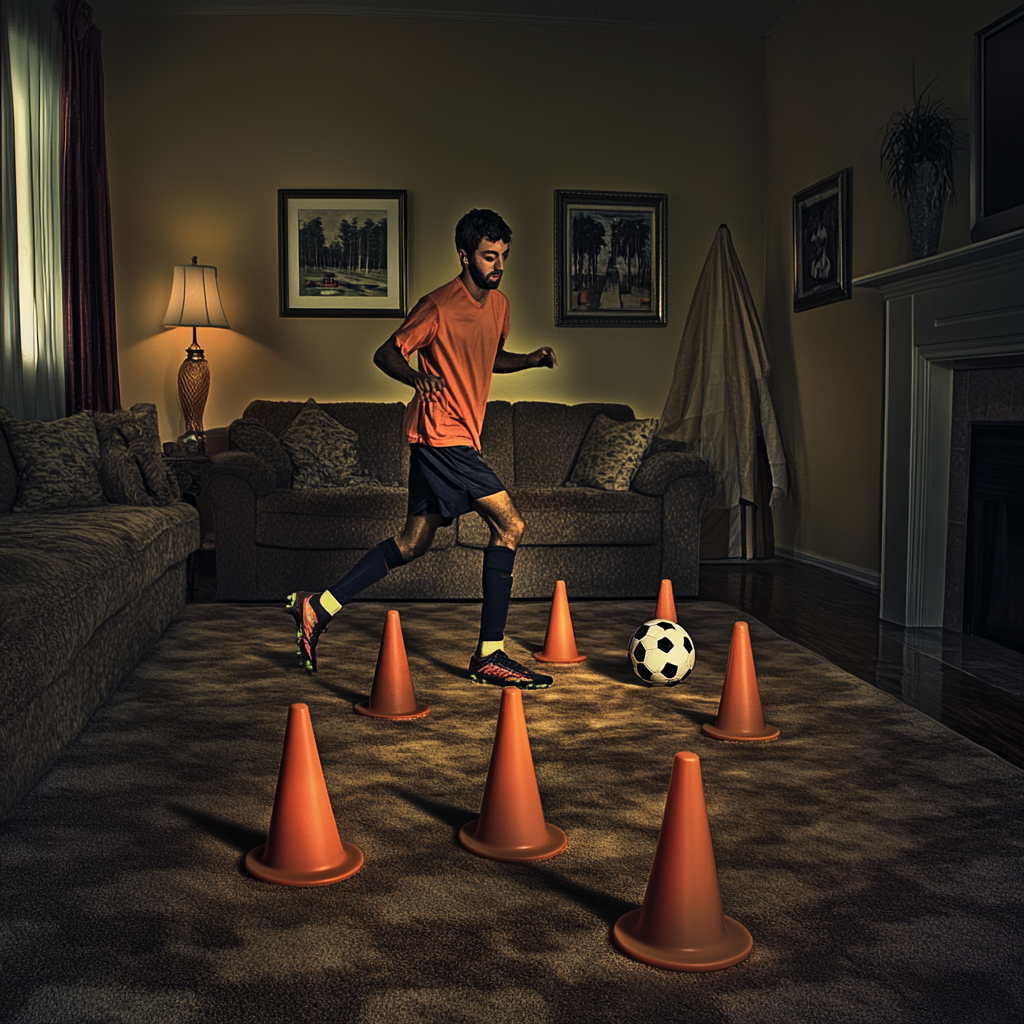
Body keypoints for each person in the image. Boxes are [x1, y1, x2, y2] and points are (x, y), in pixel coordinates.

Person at [286, 209, 558, 689]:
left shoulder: (500, 306)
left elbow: (489, 356)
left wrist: (531, 360)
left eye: (503, 257)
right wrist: (417, 377)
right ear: (464, 255)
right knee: (511, 525)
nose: (497, 266)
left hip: (456, 436)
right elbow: (387, 351)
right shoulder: (437, 305)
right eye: (488, 257)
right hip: (440, 433)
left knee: (414, 542)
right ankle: (490, 654)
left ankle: (319, 606)